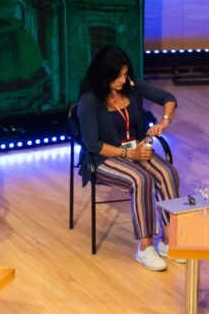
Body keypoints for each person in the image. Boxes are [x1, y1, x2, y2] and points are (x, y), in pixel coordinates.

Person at [76, 45, 180, 271]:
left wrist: (164, 121)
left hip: (135, 150)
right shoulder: (90, 100)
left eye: (125, 74)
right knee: (141, 179)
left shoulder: (131, 87)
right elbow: (92, 143)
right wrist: (128, 154)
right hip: (103, 157)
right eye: (118, 75)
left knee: (168, 172)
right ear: (104, 76)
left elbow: (168, 98)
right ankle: (145, 248)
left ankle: (168, 241)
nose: (124, 79)